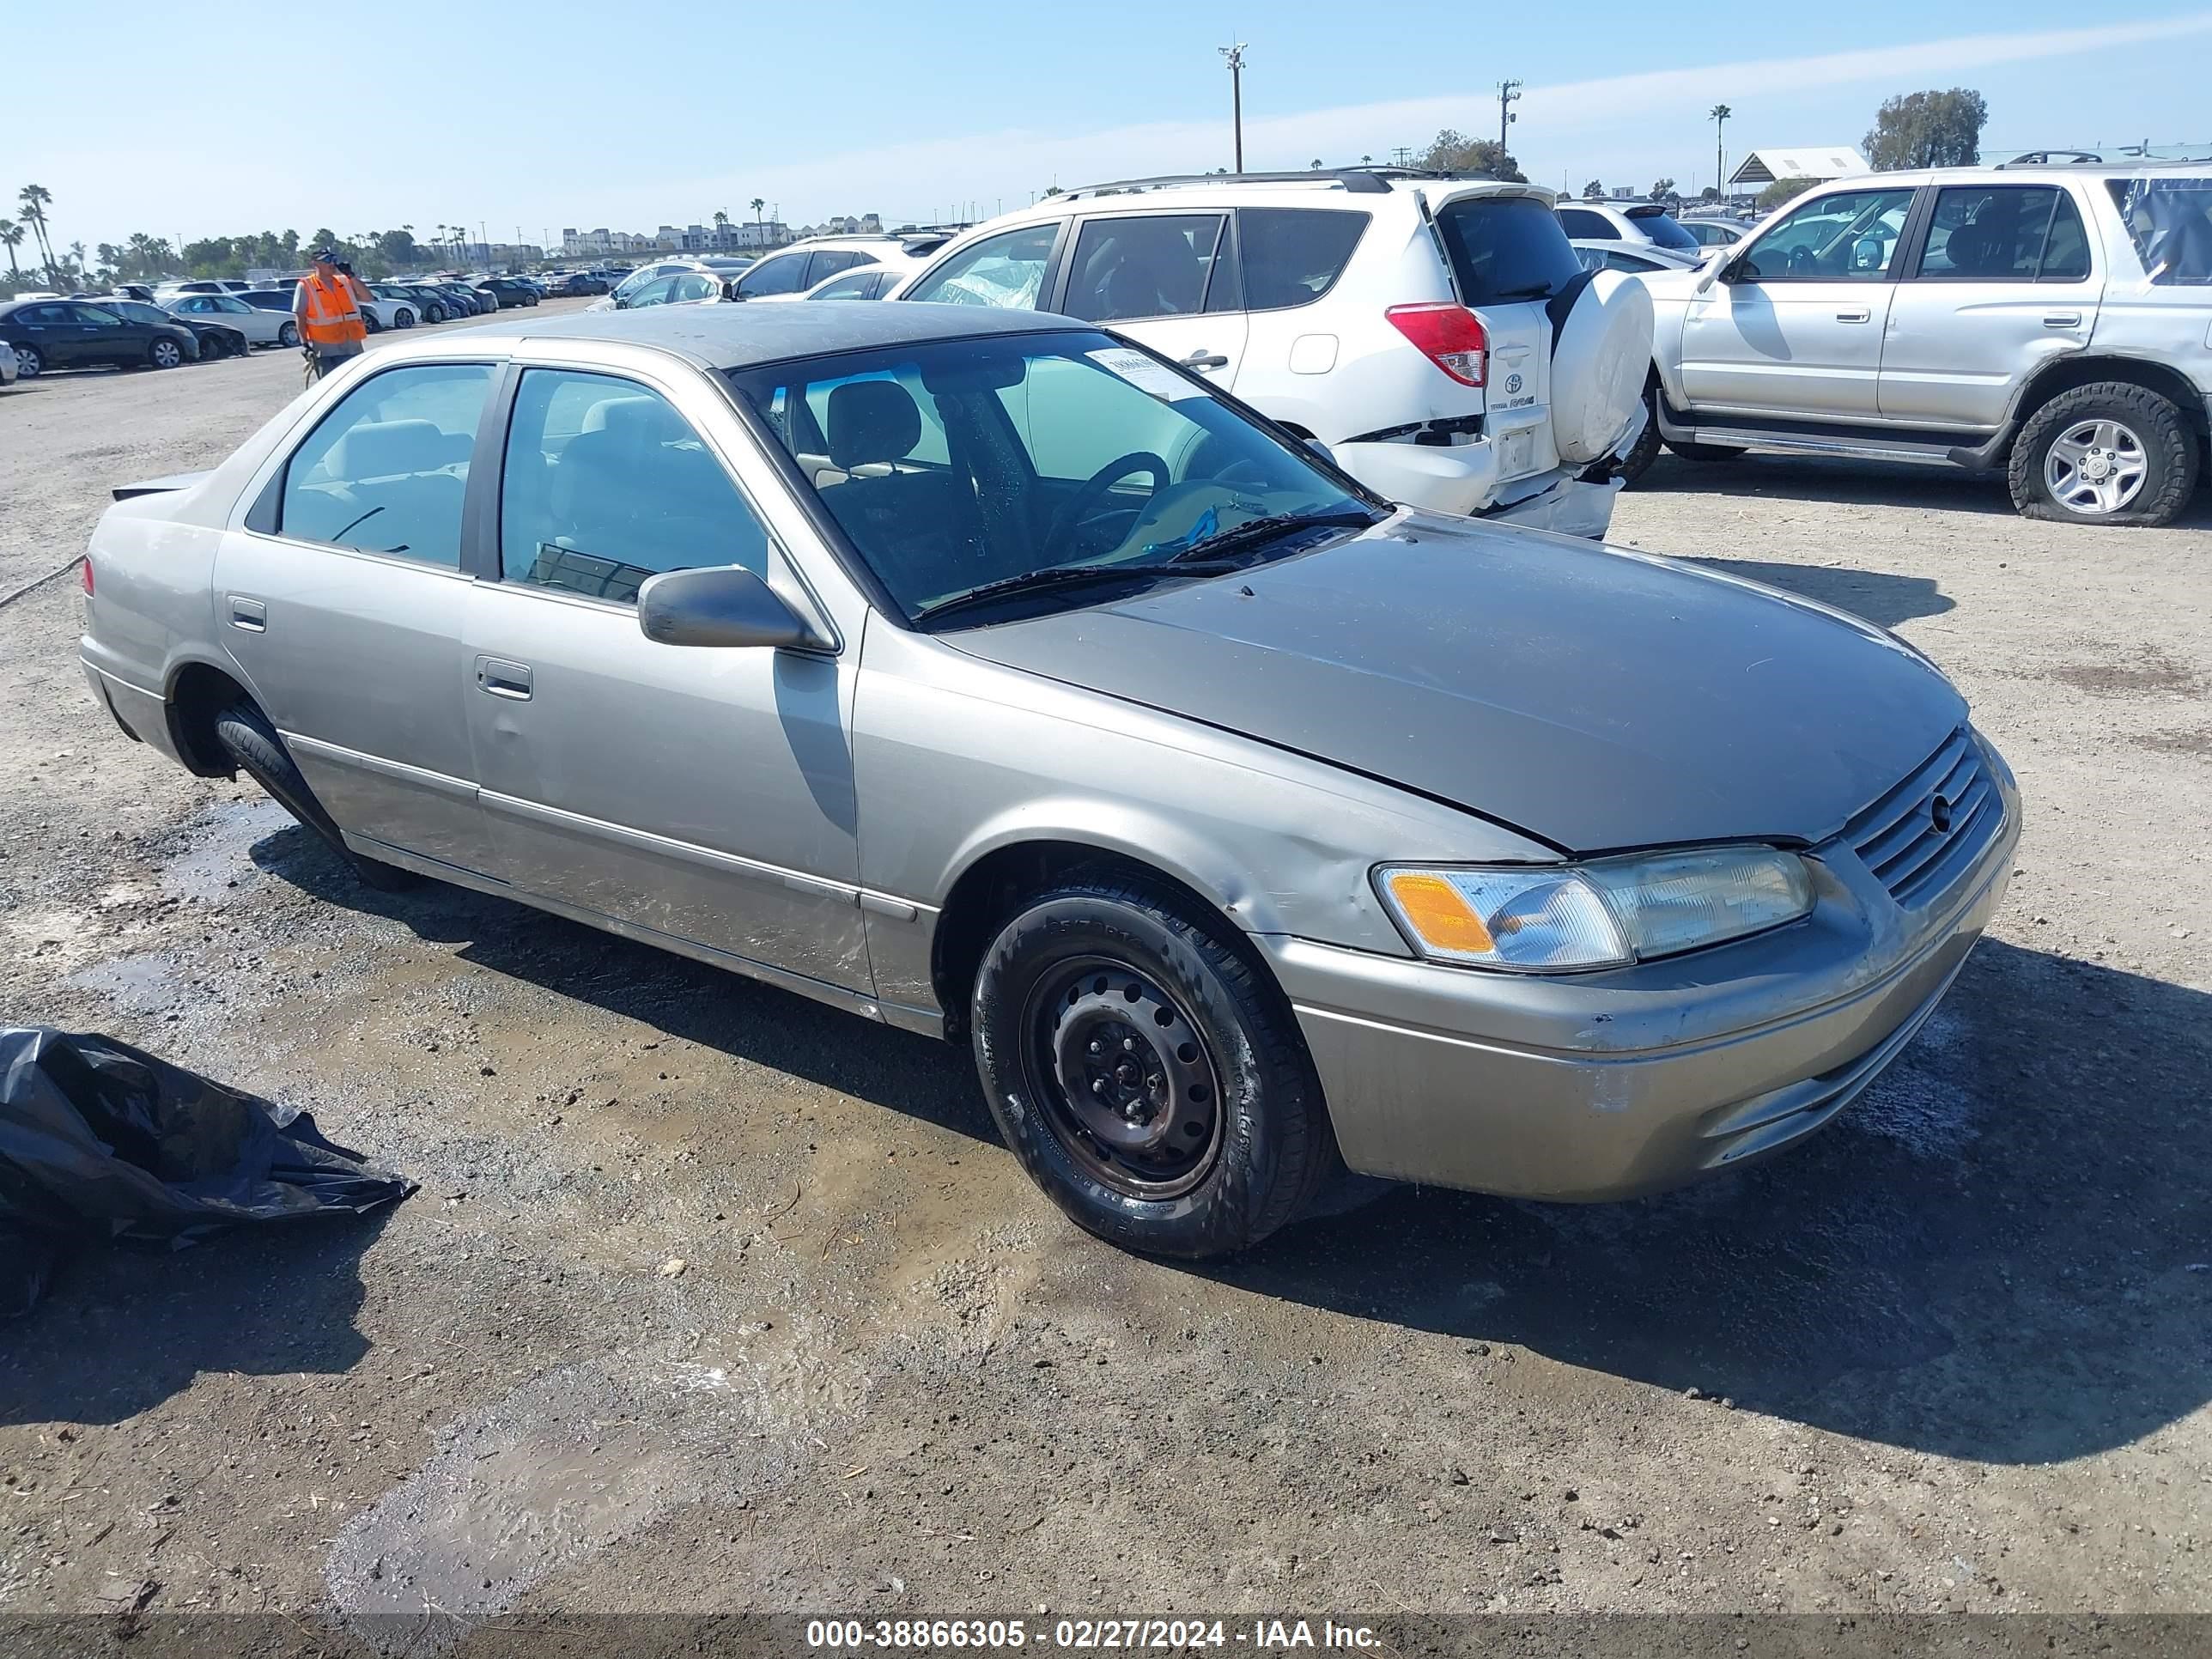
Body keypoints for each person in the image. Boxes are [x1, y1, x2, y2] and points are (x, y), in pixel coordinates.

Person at [295, 248, 372, 382]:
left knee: (356, 386)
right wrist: (305, 344)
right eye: (326, 260)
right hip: (326, 351)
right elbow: (300, 316)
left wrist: (351, 276)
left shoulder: (344, 281)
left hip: (352, 347)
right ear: (315, 264)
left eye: (333, 259)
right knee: (332, 387)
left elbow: (367, 297)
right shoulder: (306, 285)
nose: (332, 264)